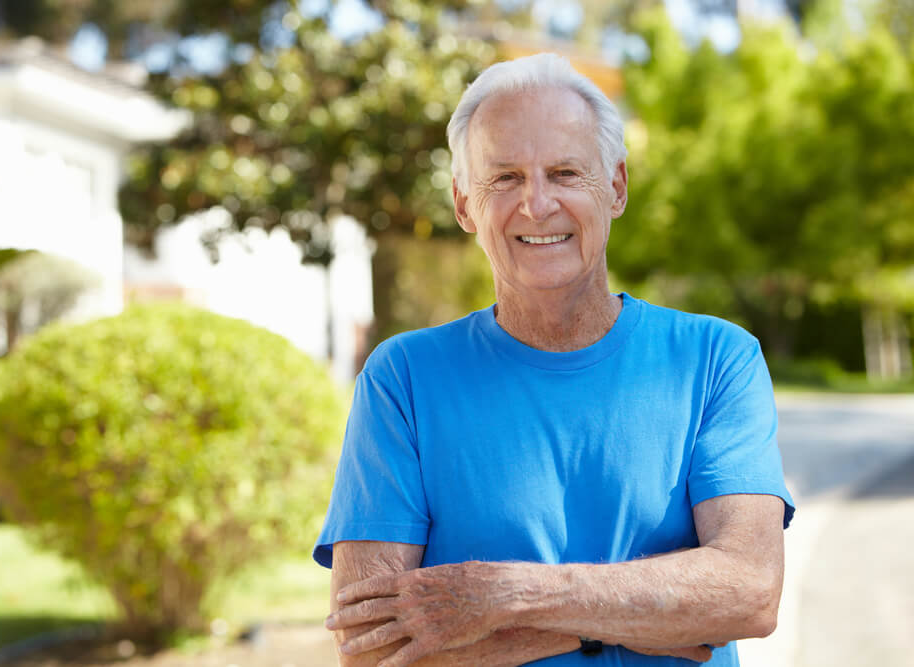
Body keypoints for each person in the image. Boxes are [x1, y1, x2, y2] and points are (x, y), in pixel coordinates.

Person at [313, 52, 795, 666]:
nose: (537, 205)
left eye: (565, 173)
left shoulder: (717, 359)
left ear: (615, 188)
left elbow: (749, 593)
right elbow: (370, 645)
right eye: (505, 178)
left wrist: (497, 596)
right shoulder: (402, 379)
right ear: (464, 204)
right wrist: (634, 618)